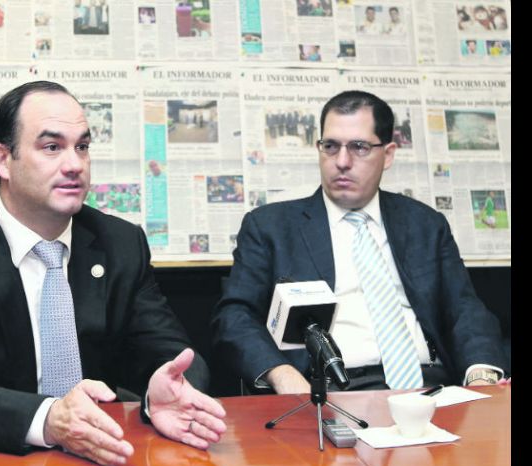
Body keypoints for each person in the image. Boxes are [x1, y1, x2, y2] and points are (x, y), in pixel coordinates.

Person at [0, 81, 226, 466]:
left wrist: (161, 388)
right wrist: (47, 419)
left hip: (98, 458)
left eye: (82, 146)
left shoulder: (119, 243)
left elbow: (172, 354)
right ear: (3, 160)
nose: (75, 164)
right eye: (51, 147)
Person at [211, 90, 508, 395]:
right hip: (329, 389)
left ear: (388, 154)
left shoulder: (424, 224)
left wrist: (481, 374)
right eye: (330, 146)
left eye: (359, 147)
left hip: (431, 387)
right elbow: (235, 318)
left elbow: (465, 310)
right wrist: (282, 375)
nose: (342, 161)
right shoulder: (271, 227)